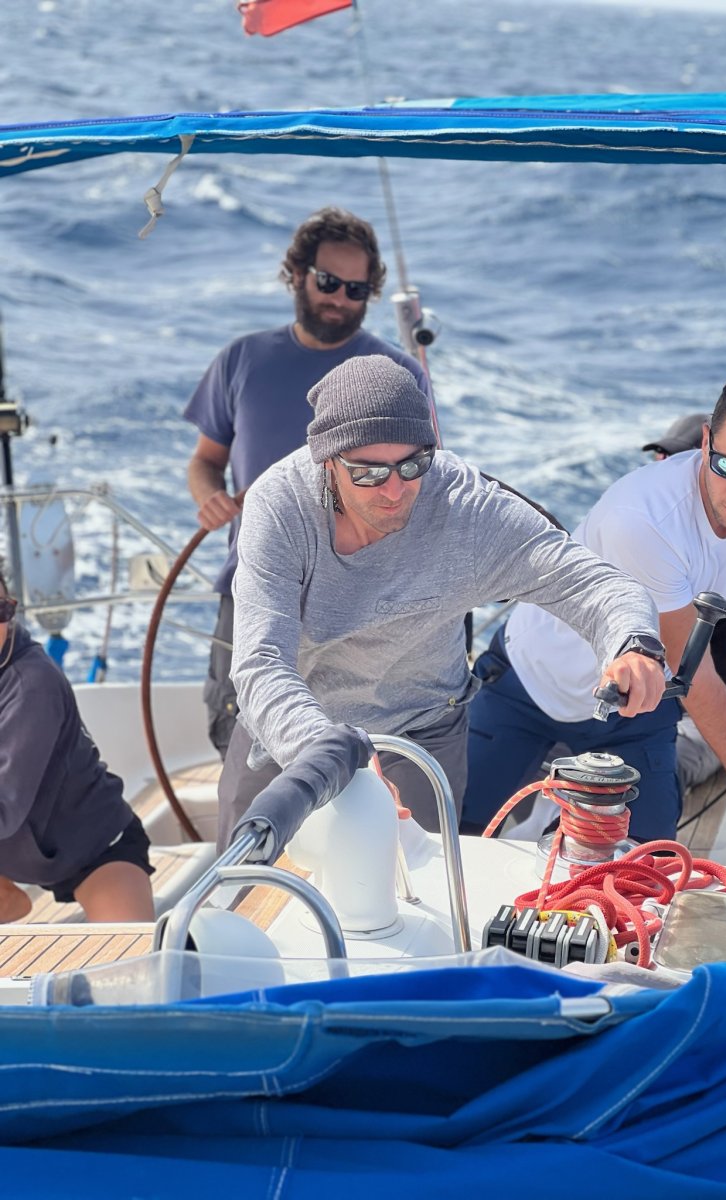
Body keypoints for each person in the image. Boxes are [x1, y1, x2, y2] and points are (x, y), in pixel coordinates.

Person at [216, 354, 666, 847]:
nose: (394, 490)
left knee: (412, 889)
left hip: (420, 734)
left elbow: (590, 583)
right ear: (327, 462)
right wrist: (329, 755)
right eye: (369, 473)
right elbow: (261, 663)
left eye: (412, 465)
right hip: (292, 729)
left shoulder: (466, 508)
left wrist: (633, 642)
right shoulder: (280, 507)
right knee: (241, 881)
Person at [461, 370, 726, 858]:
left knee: (649, 866)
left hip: (637, 705)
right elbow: (691, 668)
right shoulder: (644, 516)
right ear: (706, 442)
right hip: (529, 684)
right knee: (456, 839)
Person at [184, 206, 431, 759]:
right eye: (328, 282)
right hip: (254, 579)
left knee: (360, 745)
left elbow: (419, 478)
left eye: (356, 290)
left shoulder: (399, 373)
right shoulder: (241, 360)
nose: (340, 299)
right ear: (297, 274)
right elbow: (205, 461)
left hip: (361, 595)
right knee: (240, 734)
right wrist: (210, 498)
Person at [0, 564, 156, 923]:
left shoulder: (33, 685)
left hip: (94, 846)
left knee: (130, 954)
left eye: (0, 610)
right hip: (15, 853)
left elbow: (5, 809)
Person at [642, 411, 726, 791]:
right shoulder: (636, 533)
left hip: (697, 720)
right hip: (630, 708)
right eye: (661, 457)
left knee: (649, 775)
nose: (665, 467)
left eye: (676, 459)